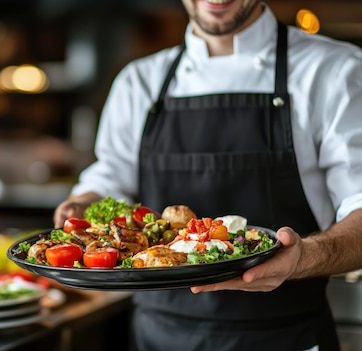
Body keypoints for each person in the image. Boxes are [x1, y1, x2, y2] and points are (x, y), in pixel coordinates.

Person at [53, 0, 362, 350]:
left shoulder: (335, 70)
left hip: (285, 335)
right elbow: (110, 179)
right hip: (159, 336)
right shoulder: (139, 82)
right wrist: (84, 204)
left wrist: (303, 257)